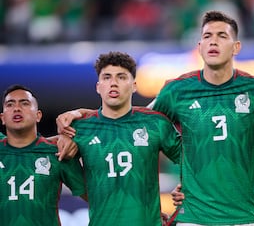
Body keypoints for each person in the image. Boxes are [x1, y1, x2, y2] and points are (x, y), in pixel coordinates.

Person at [57, 11, 254, 226]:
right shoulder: (177, 90)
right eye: (207, 36)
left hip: (246, 215)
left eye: (222, 36)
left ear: (236, 46)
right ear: (199, 47)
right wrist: (82, 115)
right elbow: (133, 121)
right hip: (194, 216)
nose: (213, 42)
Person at [56, 51, 181, 226]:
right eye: (107, 77)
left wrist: (186, 188)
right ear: (98, 86)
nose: (113, 83)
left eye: (121, 77)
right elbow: (77, 184)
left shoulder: (155, 123)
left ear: (134, 85)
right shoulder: (79, 129)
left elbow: (191, 161)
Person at [0, 84, 87, 226]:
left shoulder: (57, 152)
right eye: (10, 104)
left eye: (25, 103)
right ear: (2, 118)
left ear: (38, 115)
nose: (16, 108)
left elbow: (95, 199)